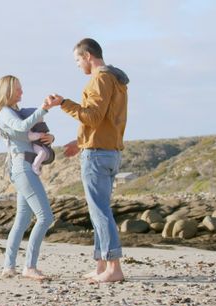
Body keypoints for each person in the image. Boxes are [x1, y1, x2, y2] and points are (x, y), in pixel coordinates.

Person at [50, 38, 129, 283]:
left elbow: (92, 117)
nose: (77, 65)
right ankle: (101, 265)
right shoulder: (116, 79)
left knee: (100, 211)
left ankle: (113, 268)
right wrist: (80, 141)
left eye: (77, 60)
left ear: (87, 56)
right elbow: (105, 120)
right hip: (109, 150)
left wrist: (63, 103)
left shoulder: (100, 79)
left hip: (98, 154)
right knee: (99, 210)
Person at [0, 75, 56, 281]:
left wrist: (50, 137)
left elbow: (31, 131)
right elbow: (21, 128)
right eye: (18, 89)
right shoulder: (5, 113)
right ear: (7, 91)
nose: (21, 93)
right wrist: (44, 109)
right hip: (23, 167)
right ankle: (30, 266)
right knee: (45, 217)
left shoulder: (13, 111)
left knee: (23, 219)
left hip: (25, 166)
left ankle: (8, 267)